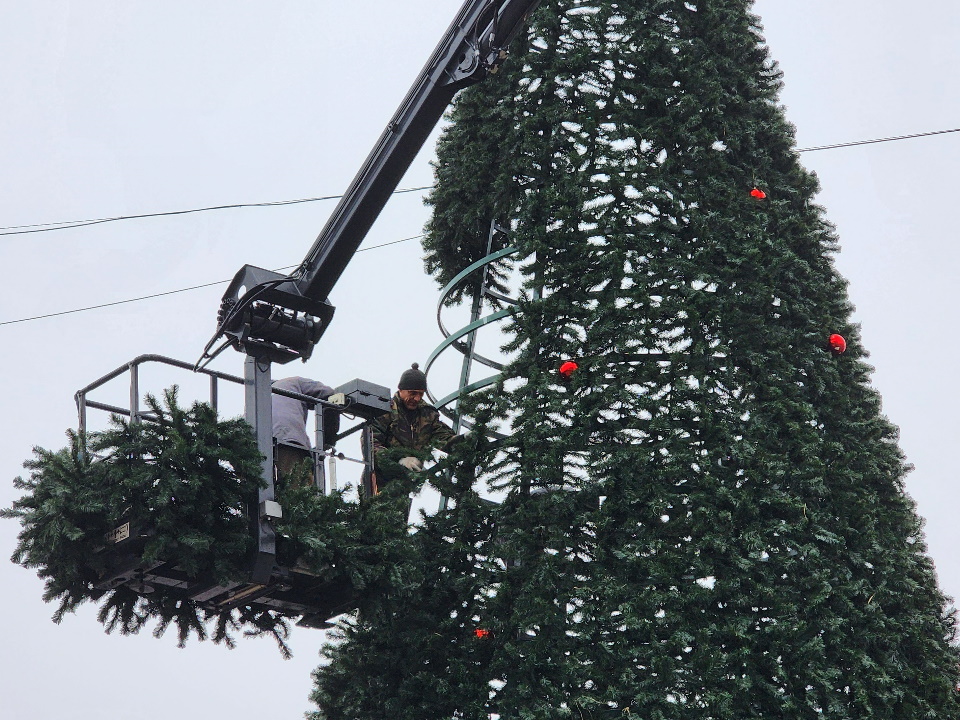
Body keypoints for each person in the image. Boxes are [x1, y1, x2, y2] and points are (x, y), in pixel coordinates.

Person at [369, 363, 458, 492]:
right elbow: (370, 444)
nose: (416, 398)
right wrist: (399, 460)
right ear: (401, 390)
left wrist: (462, 441)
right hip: (379, 480)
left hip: (406, 483)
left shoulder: (427, 415)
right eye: (412, 393)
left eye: (421, 394)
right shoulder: (385, 410)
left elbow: (442, 436)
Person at [272, 376, 344, 488]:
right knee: (298, 489)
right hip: (288, 440)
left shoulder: (256, 392)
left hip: (258, 448)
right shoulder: (294, 383)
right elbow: (329, 394)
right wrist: (328, 439)